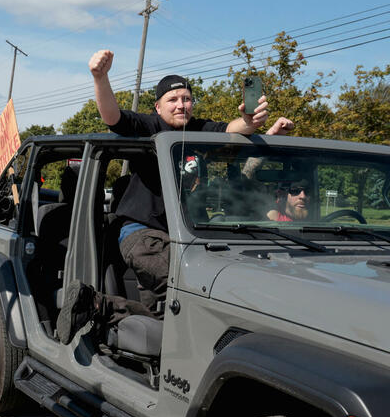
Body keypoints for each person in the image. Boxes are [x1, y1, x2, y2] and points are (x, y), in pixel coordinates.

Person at [88, 49, 292, 313]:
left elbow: (231, 130)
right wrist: (100, 78)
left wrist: (249, 121)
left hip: (186, 236)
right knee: (196, 286)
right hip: (142, 232)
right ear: (158, 107)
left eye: (187, 98)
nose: (181, 104)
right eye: (173, 99)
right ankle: (99, 305)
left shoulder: (198, 131)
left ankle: (102, 309)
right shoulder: (151, 127)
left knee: (162, 314)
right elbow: (113, 117)